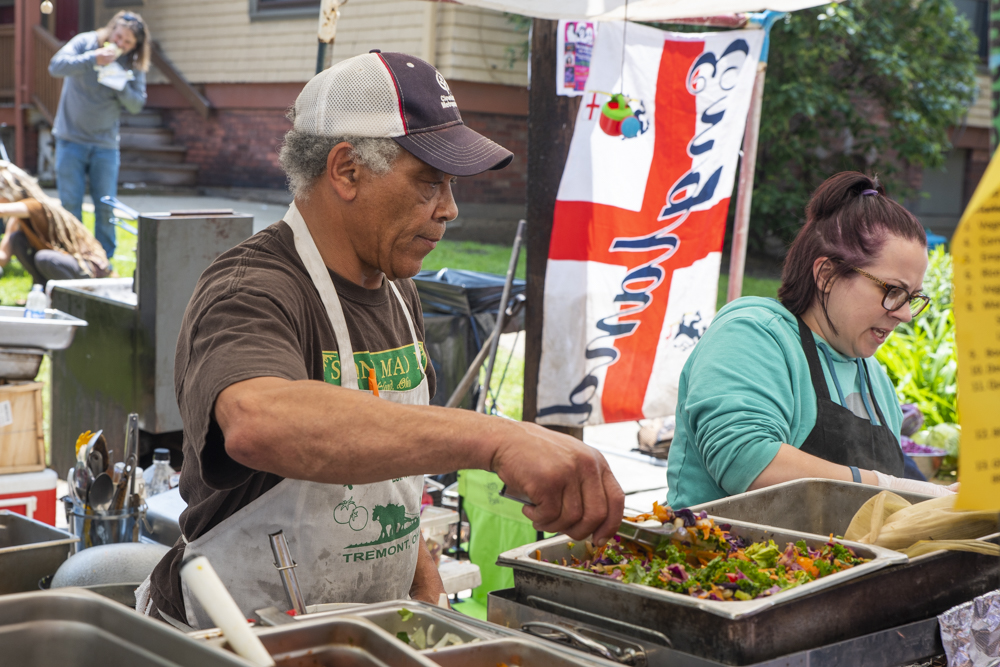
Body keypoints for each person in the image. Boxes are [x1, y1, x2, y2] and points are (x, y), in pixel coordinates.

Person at [144, 51, 625, 630]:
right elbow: (258, 419)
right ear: (346, 170)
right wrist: (495, 438)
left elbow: (388, 471)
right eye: (429, 182)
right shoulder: (251, 288)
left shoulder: (398, 290)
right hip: (230, 633)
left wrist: (421, 584)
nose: (449, 209)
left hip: (362, 626)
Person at [667, 172, 955, 509]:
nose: (905, 314)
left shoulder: (875, 379)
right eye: (893, 291)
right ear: (827, 275)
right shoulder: (753, 332)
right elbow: (746, 460)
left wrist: (938, 501)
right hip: (722, 555)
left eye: (913, 297)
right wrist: (890, 485)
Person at [48, 10, 149, 262]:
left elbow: (137, 104)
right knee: (70, 203)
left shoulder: (132, 63)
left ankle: (104, 259)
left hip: (105, 145)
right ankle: (74, 254)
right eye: (119, 37)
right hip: (70, 139)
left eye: (127, 43)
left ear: (135, 46)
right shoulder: (85, 42)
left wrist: (120, 84)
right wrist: (93, 59)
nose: (120, 44)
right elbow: (56, 67)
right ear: (111, 29)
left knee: (105, 206)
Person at [0, 161, 111, 283]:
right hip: (62, 264)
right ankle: (43, 290)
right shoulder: (17, 219)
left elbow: (2, 210)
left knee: (44, 258)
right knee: (17, 239)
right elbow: (3, 258)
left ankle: (73, 297)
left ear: (9, 192)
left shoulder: (36, 206)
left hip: (87, 267)